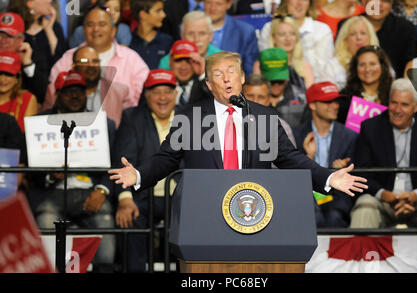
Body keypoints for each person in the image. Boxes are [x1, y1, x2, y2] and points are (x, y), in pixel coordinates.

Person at [108, 51, 369, 203]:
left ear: (242, 77)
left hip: (253, 208)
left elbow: (291, 159)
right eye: (218, 75)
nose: (226, 79)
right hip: (205, 208)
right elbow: (167, 160)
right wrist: (139, 175)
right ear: (209, 85)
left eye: (231, 72)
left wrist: (328, 176)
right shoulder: (190, 117)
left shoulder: (264, 116)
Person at [33, 70, 117, 272]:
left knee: (105, 220)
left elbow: (116, 164)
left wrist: (102, 190)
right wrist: (50, 175)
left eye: (79, 90)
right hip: (52, 194)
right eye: (68, 91)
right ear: (58, 94)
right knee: (46, 219)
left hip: (91, 192)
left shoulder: (103, 124)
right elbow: (30, 170)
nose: (75, 96)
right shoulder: (39, 123)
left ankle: (104, 269)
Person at [350, 78, 417, 228]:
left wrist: (415, 195)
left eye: (404, 105)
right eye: (394, 103)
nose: (397, 110)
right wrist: (384, 194)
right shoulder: (370, 128)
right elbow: (362, 175)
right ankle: (360, 253)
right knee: (364, 207)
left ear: (415, 107)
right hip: (383, 198)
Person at [113, 69, 178, 272]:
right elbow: (123, 159)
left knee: (193, 224)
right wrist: (124, 198)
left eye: (167, 91)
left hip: (180, 197)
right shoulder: (132, 117)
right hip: (142, 196)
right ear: (146, 95)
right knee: (129, 220)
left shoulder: (190, 118)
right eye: (156, 92)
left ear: (176, 94)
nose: (162, 98)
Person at [43, 6, 149, 112]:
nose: (96, 29)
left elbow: (145, 99)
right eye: (90, 25)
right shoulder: (68, 58)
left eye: (102, 24)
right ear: (83, 31)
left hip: (123, 125)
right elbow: (52, 99)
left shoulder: (132, 59)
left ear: (113, 30)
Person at [294, 81, 358, 227]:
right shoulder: (296, 134)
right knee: (310, 214)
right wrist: (308, 157)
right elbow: (292, 174)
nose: (335, 106)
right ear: (312, 105)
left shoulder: (350, 136)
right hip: (305, 197)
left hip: (337, 199)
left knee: (333, 217)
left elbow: (357, 175)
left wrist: (341, 170)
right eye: (327, 102)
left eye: (336, 101)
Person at [7, 0, 67, 105]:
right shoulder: (10, 32)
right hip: (18, 100)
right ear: (29, 3)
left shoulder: (55, 27)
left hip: (52, 99)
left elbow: (62, 68)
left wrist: (50, 32)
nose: (50, 1)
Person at [259, 0, 334, 82]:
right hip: (274, 82)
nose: (299, 3)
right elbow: (265, 65)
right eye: (282, 34)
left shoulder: (322, 30)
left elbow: (323, 70)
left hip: (311, 84)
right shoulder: (269, 28)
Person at [342, 0, 417, 78]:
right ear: (363, 2)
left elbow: (412, 66)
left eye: (385, 0)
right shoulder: (348, 26)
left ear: (391, 4)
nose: (379, 5)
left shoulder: (405, 29)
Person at [70, 45, 129, 128]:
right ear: (73, 66)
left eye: (95, 61)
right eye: (84, 61)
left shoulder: (119, 92)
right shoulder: (61, 93)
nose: (91, 65)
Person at [320, 16, 380, 90]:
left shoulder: (381, 63)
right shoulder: (333, 66)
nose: (358, 37)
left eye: (363, 33)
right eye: (353, 34)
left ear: (370, 37)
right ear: (345, 40)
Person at [338, 45, 394, 124]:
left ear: (382, 66)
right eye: (362, 65)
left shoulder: (393, 95)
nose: (367, 69)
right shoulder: (344, 97)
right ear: (355, 68)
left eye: (372, 64)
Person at [255, 14, 314, 88]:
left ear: (297, 37)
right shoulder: (260, 65)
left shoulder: (305, 67)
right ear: (273, 38)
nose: (288, 38)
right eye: (282, 34)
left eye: (292, 34)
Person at [204, 0, 259, 75]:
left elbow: (249, 71)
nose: (213, 8)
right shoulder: (190, 27)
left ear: (229, 4)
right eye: (209, 2)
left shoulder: (245, 32)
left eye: (218, 4)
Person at [259, 47, 308, 129]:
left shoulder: (302, 99)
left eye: (280, 80)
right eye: (271, 81)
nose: (276, 85)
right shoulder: (251, 99)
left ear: (288, 76)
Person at [243, 73, 297, 147]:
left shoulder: (281, 127)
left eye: (261, 97)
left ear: (269, 100)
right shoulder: (230, 123)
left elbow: (290, 157)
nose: (255, 101)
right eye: (250, 96)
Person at [129, 0, 173, 70]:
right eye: (158, 11)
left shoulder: (168, 41)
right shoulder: (128, 42)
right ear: (143, 14)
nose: (163, 15)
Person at [0, 50, 38, 132]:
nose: (2, 79)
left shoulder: (27, 99)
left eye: (9, 74)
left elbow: (29, 135)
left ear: (17, 78)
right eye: (0, 73)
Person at [168, 40, 211, 106]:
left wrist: (203, 74)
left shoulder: (205, 86)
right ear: (170, 61)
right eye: (179, 60)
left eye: (189, 61)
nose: (183, 67)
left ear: (198, 62)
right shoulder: (160, 86)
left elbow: (217, 102)